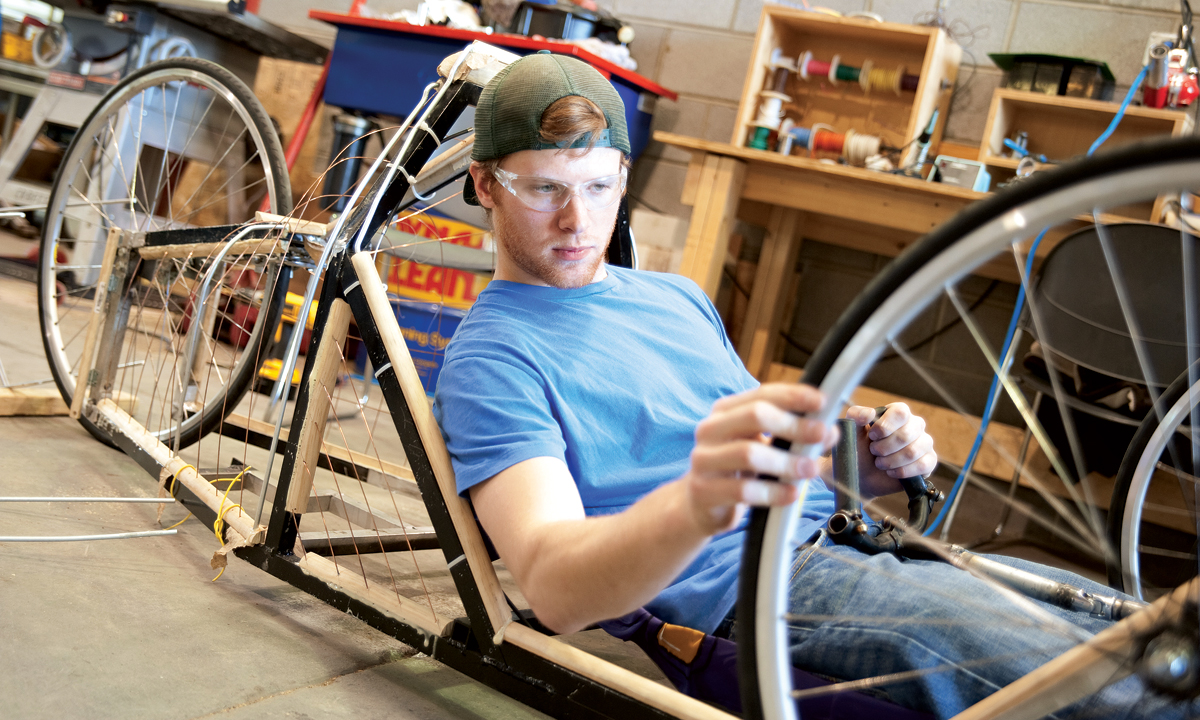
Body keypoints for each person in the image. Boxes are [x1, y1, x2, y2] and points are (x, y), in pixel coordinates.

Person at [432, 51, 1187, 719]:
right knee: (1126, 692)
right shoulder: (492, 358)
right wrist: (698, 499)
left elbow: (771, 458)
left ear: (624, 179)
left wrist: (869, 458)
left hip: (850, 550)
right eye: (542, 190)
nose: (575, 219)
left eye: (598, 187)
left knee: (1144, 633)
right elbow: (556, 586)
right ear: (484, 187)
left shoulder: (674, 297)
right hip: (755, 597)